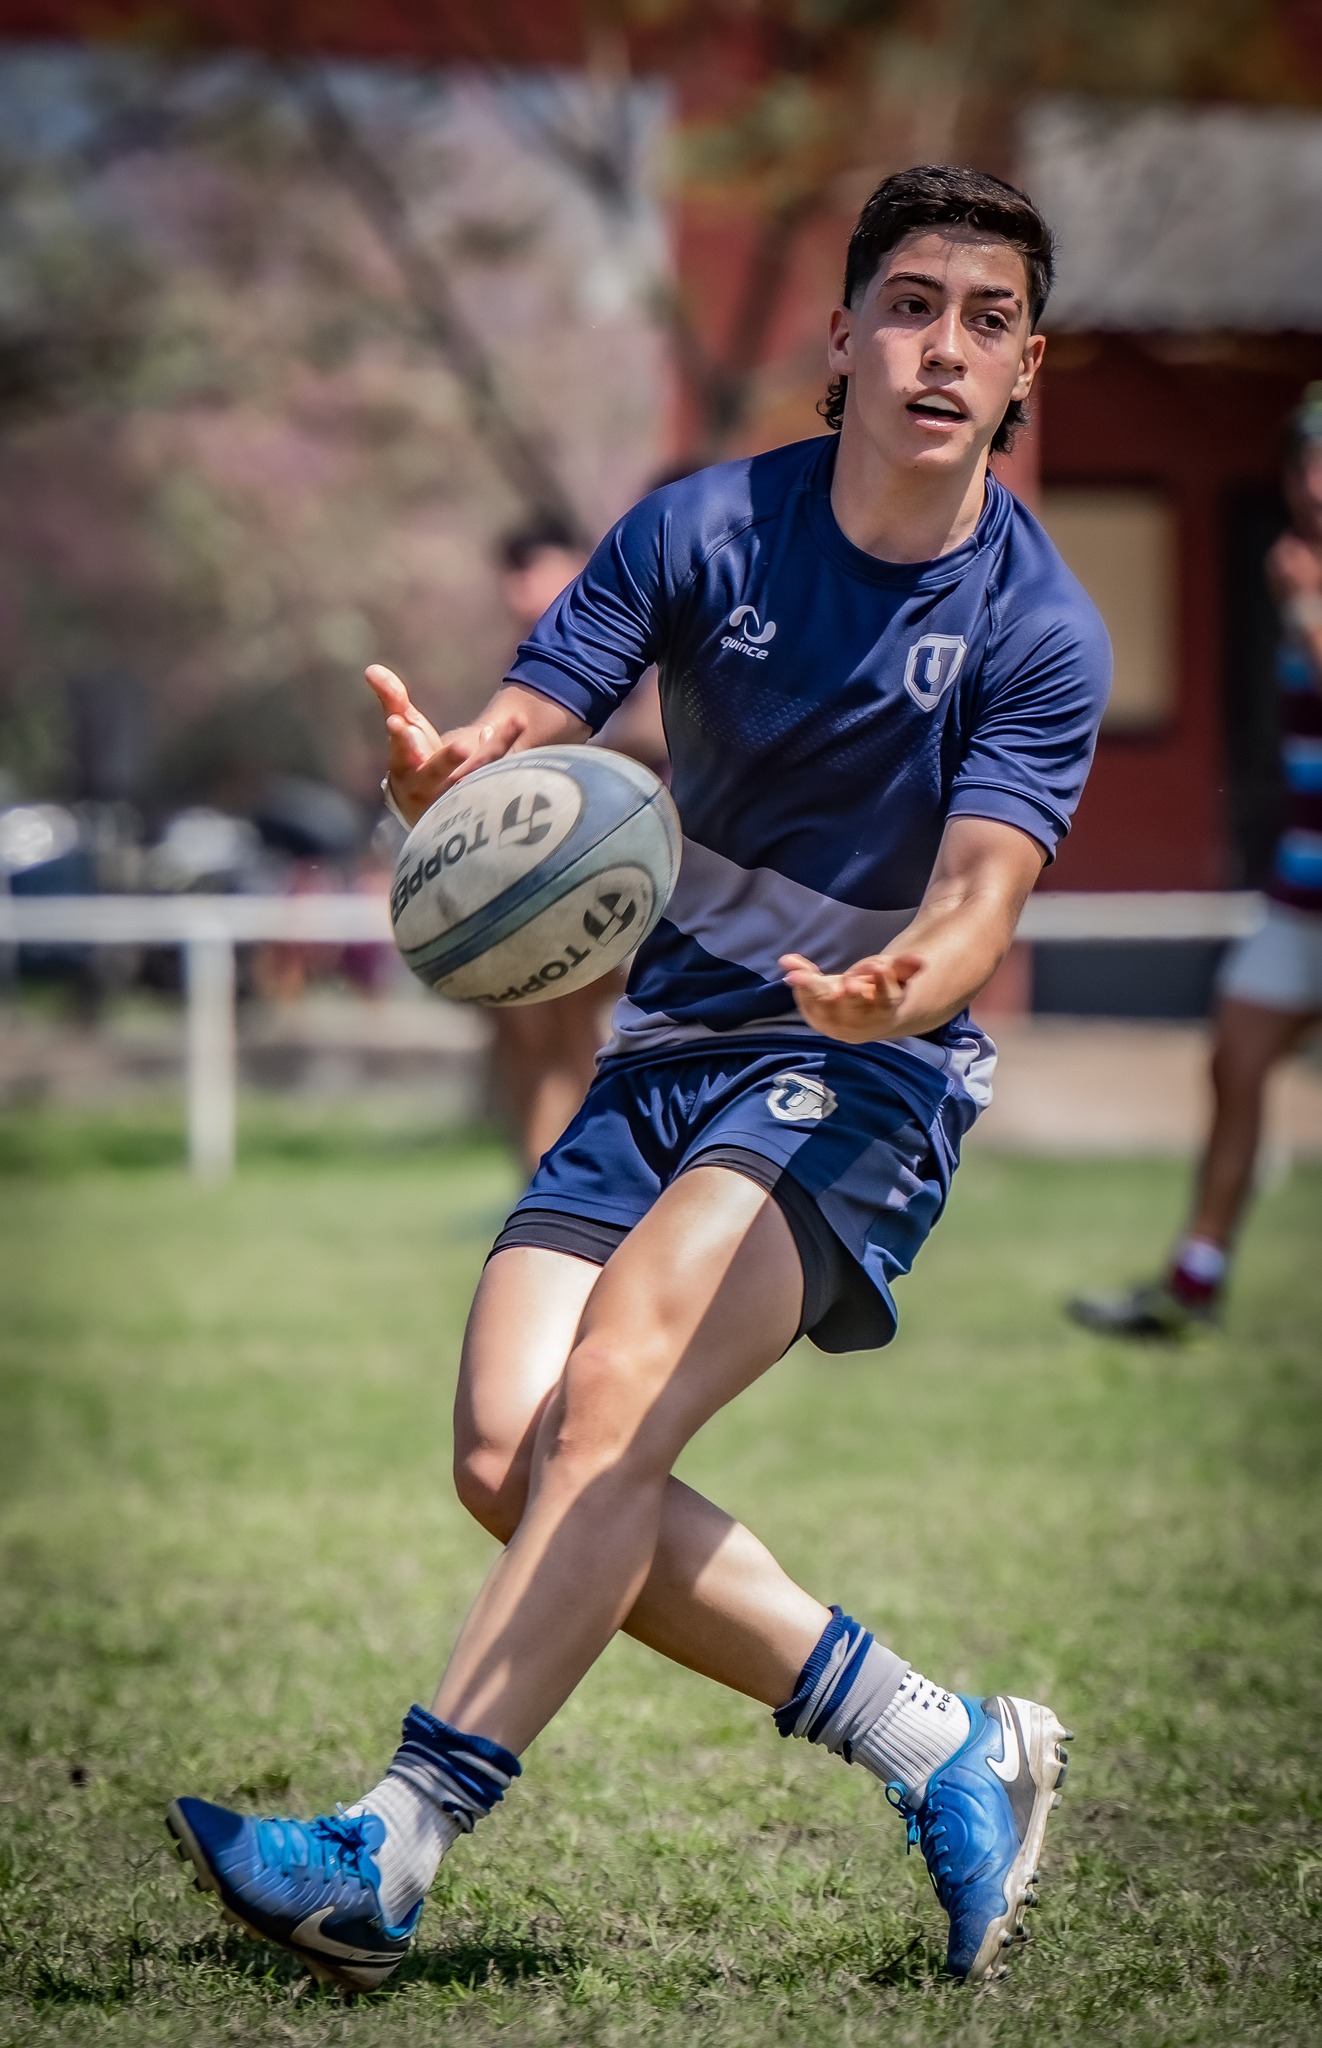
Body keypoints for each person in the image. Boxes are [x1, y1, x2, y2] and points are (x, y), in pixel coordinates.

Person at [166, 165, 1109, 1992]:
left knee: (611, 1406)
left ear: (1022, 375)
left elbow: (986, 887)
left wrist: (909, 977)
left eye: (986, 321)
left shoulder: (1036, 628)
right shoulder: (705, 531)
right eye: (910, 302)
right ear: (840, 337)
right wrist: (465, 766)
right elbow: (549, 700)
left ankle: (388, 1844)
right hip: (669, 1041)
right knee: (508, 1453)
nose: (943, 344)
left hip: (862, 1069)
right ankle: (941, 1739)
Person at [1069, 387, 1322, 1339]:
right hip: (1302, 889)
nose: (1311, 482)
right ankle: (1196, 1279)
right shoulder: (1294, 564)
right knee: (1237, 1060)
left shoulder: (1299, 584)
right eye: (1302, 462)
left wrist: (1304, 614)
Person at [489, 518, 670, 1169]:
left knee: (587, 1044)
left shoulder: (636, 634)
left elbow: (657, 739)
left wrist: (563, 762)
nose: (518, 587)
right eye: (510, 572)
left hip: (624, 881)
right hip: (541, 882)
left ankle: (585, 1183)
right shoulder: (525, 663)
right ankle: (543, 1186)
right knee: (530, 1039)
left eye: (533, 566)